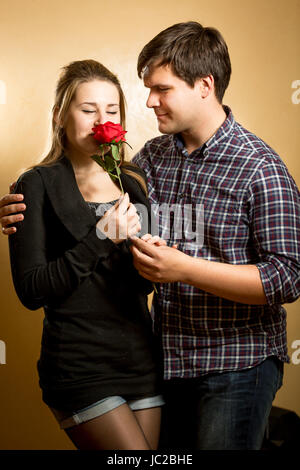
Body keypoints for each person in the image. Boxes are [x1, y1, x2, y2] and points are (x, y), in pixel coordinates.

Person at [1, 22, 300, 450]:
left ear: (204, 85)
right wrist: (20, 212)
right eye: (146, 89)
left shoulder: (260, 168)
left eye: (161, 89)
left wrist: (184, 269)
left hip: (235, 366)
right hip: (167, 361)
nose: (148, 101)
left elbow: (287, 278)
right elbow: (88, 207)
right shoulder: (150, 161)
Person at [3, 59, 165, 450]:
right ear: (60, 115)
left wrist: (152, 259)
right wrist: (100, 238)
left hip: (141, 361)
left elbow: (138, 286)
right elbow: (31, 291)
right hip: (80, 367)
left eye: (111, 111)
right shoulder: (36, 184)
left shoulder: (133, 183)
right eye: (87, 109)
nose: (100, 121)